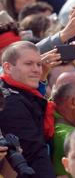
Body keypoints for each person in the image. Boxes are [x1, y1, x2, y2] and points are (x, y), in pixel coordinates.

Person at [0, 41, 55, 177]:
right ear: (7, 67)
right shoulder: (10, 102)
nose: (37, 70)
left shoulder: (20, 92)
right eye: (28, 64)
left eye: (38, 64)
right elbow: (33, 153)